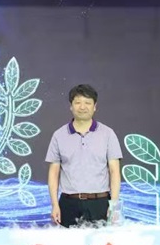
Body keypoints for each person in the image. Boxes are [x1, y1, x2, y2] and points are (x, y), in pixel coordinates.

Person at [45, 84, 123, 227]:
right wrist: (54, 204)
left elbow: (114, 171)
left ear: (95, 106)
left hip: (100, 203)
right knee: (67, 241)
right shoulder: (59, 135)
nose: (82, 107)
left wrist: (114, 205)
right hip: (68, 204)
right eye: (78, 102)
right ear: (71, 106)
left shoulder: (108, 134)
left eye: (87, 103)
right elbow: (53, 173)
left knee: (100, 241)